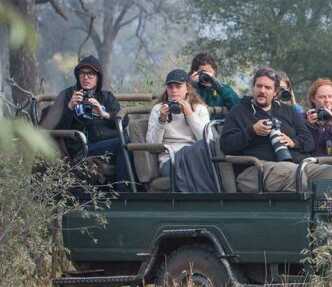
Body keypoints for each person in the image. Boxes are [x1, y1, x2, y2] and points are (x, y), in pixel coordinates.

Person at [219, 67, 332, 192]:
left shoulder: (288, 111)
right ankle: (302, 212)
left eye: (267, 88)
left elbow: (309, 142)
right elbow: (226, 145)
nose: (262, 91)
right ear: (253, 87)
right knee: (296, 176)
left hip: (296, 165)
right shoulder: (238, 111)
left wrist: (293, 142)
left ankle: (330, 212)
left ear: (275, 92)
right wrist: (252, 131)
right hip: (256, 169)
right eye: (259, 86)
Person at [44, 55, 130, 189]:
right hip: (81, 147)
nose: (86, 77)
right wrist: (69, 108)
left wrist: (103, 114)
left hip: (104, 145)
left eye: (90, 74)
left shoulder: (106, 97)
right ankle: (124, 192)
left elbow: (124, 121)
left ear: (98, 77)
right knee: (123, 142)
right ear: (77, 75)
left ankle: (128, 189)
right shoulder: (67, 95)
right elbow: (56, 128)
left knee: (126, 141)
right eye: (82, 73)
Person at [146, 69, 211, 178]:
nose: (174, 90)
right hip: (170, 159)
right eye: (170, 87)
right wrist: (161, 121)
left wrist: (190, 115)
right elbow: (152, 146)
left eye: (178, 86)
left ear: (187, 88)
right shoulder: (158, 109)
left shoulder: (199, 109)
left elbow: (207, 140)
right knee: (192, 175)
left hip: (194, 157)